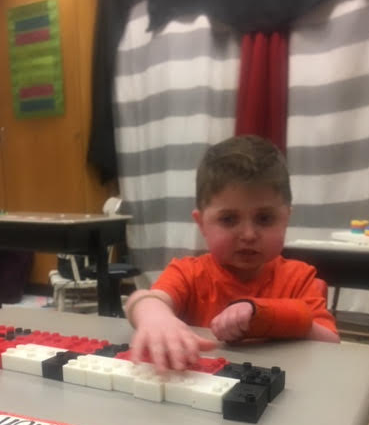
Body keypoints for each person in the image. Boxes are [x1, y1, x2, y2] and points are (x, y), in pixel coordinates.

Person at [124, 135, 339, 371]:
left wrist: (268, 317)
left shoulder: (300, 277)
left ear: (286, 218)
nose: (248, 234)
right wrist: (155, 317)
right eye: (228, 219)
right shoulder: (188, 272)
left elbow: (331, 341)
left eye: (264, 218)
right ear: (202, 224)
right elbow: (143, 301)